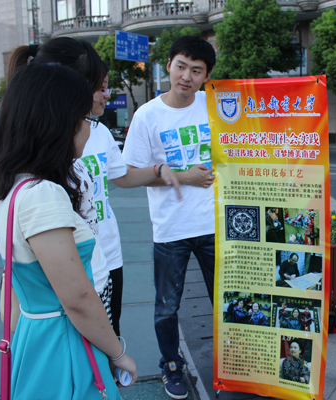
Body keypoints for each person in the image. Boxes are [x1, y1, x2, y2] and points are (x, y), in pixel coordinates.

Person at [0, 63, 137, 398]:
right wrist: (118, 353)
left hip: (35, 336)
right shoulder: (44, 195)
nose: (88, 127)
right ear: (60, 123)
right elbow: (78, 298)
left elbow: (12, 298)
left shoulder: (12, 188)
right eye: (85, 118)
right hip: (65, 341)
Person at [6, 38, 181, 334]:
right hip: (67, 270)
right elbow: (68, 299)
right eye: (99, 87)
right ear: (67, 86)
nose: (105, 95)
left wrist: (158, 170)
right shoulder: (36, 172)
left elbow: (121, 175)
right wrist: (118, 353)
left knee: (106, 336)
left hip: (104, 258)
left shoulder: (96, 132)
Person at [122, 35, 216, 400]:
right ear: (169, 66)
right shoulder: (147, 115)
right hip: (170, 228)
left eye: (197, 70)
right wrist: (183, 175)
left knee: (227, 299)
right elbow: (130, 174)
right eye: (181, 66)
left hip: (214, 225)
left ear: (207, 76)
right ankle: (172, 365)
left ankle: (234, 363)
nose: (186, 77)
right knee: (166, 306)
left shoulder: (215, 105)